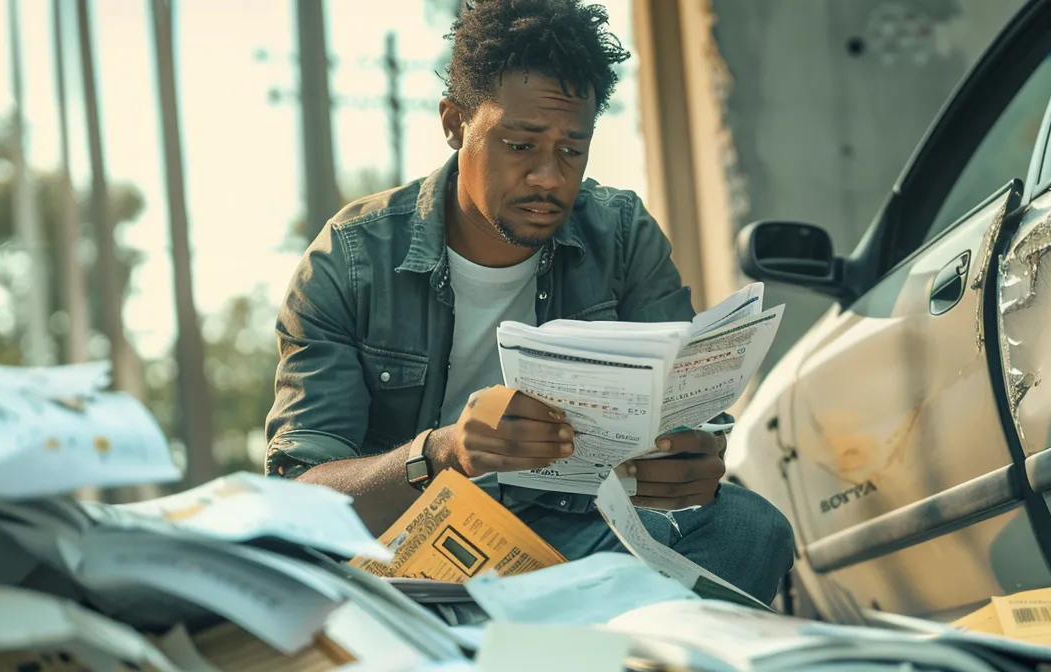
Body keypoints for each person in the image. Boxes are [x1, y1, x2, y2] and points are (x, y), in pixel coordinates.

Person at [263, 0, 795, 604]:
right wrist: (443, 452)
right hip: (405, 557)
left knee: (747, 528)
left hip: (576, 535)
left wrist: (690, 459)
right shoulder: (349, 260)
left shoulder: (620, 235)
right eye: (520, 145)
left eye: (573, 148)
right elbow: (299, 498)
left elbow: (683, 421)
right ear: (454, 122)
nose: (549, 177)